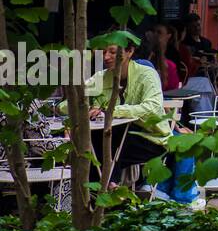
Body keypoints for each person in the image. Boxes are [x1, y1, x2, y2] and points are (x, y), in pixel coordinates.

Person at [59, 36, 169, 187]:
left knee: (110, 139)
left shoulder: (147, 75)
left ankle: (107, 190)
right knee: (91, 142)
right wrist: (85, 109)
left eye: (112, 52)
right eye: (104, 52)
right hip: (111, 138)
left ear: (130, 51)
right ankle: (102, 191)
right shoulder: (101, 77)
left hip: (151, 138)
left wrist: (109, 111)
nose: (106, 57)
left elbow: (152, 108)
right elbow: (65, 105)